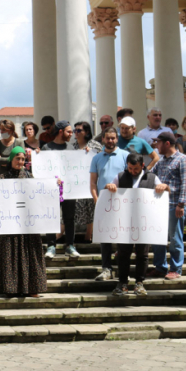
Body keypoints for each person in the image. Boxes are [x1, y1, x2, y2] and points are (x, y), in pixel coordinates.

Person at [0, 147, 47, 297]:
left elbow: (41, 192)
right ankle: (11, 288)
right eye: (17, 158)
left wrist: (55, 184)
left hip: (28, 224)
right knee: (10, 254)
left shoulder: (30, 177)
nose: (20, 162)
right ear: (11, 159)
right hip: (10, 224)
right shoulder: (2, 178)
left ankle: (33, 288)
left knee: (31, 253)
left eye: (22, 159)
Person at [105, 153, 163, 296]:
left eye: (135, 169)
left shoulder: (152, 178)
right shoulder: (120, 176)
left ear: (142, 165)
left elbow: (163, 190)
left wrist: (163, 187)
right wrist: (110, 186)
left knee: (142, 254)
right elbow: (108, 189)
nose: (132, 171)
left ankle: (139, 283)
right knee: (123, 253)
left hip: (144, 223)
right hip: (124, 222)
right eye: (130, 168)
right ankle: (122, 283)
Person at [89, 128, 129, 281]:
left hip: (122, 203)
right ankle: (107, 269)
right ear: (103, 139)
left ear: (117, 139)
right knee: (105, 238)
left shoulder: (125, 155)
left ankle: (122, 269)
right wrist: (96, 199)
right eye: (108, 138)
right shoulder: (96, 158)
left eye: (113, 138)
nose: (110, 141)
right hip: (103, 203)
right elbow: (93, 182)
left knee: (122, 238)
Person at [147, 132, 186, 280]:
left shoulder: (182, 160)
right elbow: (149, 176)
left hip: (174, 205)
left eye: (158, 142)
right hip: (158, 206)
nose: (156, 145)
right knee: (157, 238)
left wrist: (181, 205)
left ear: (167, 143)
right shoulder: (161, 161)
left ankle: (176, 269)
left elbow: (185, 183)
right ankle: (160, 267)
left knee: (175, 238)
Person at [41, 120, 80, 259]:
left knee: (69, 218)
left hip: (69, 189)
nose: (72, 134)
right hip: (51, 190)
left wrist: (86, 153)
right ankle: (51, 246)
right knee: (51, 217)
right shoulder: (46, 148)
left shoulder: (72, 148)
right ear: (60, 131)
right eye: (69, 131)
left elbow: (78, 166)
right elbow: (42, 170)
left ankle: (70, 245)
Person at [73, 121, 102, 243]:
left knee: (91, 207)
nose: (76, 133)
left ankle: (89, 235)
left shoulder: (94, 145)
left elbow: (101, 158)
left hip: (91, 181)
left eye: (79, 130)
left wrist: (91, 152)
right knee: (77, 209)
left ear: (87, 132)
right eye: (75, 130)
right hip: (76, 182)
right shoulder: (73, 146)